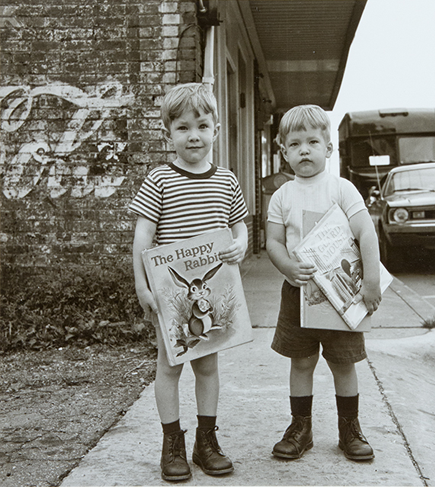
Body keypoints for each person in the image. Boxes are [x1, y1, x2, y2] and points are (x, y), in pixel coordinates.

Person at [130, 83, 248, 481]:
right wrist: (142, 286)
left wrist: (240, 246)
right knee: (169, 367)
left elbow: (239, 226)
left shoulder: (226, 180)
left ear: (215, 128)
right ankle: (172, 444)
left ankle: (206, 441)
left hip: (210, 294)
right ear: (168, 135)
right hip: (172, 294)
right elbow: (143, 238)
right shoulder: (160, 180)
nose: (193, 135)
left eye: (201, 125)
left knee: (208, 366)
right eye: (182, 128)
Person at [266, 104, 381, 462]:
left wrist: (372, 281)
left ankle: (350, 429)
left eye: (313, 142)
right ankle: (301, 427)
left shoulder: (341, 188)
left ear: (328, 149)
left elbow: (365, 231)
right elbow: (273, 241)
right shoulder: (283, 195)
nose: (305, 150)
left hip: (341, 293)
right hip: (299, 291)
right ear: (283, 151)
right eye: (295, 143)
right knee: (300, 362)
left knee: (343, 363)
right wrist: (287, 266)